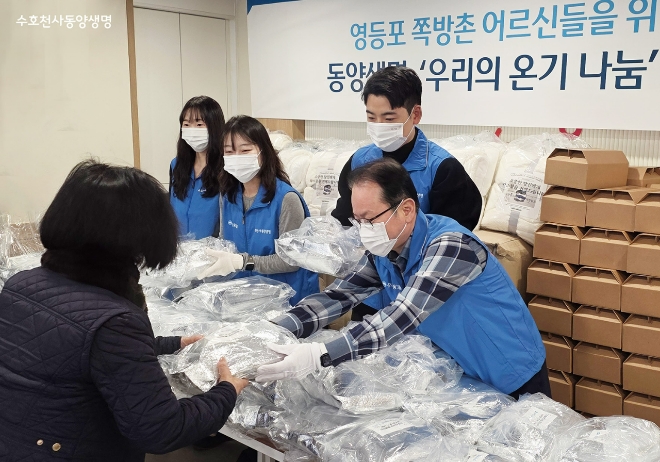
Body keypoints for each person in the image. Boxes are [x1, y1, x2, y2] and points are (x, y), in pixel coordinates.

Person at [0, 160, 248, 461]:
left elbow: (75, 348)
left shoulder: (21, 284)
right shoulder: (115, 320)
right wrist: (226, 391)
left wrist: (168, 344)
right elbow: (162, 429)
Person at [256, 158, 549, 399]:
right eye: (358, 221)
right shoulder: (386, 248)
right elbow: (339, 295)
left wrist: (320, 354)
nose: (363, 230)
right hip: (458, 371)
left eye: (370, 219)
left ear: (406, 209)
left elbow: (402, 315)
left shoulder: (451, 246)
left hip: (508, 371)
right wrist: (271, 331)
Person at [330, 66, 483, 321]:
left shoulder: (442, 169)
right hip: (372, 290)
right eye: (371, 117)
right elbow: (344, 219)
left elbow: (452, 241)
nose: (379, 126)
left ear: (415, 114)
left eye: (389, 119)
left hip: (421, 297)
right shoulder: (359, 162)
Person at [199, 116, 318, 305]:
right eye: (229, 152)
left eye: (245, 150)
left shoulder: (287, 199)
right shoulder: (228, 195)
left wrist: (243, 262)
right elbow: (225, 242)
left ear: (264, 152)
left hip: (285, 300)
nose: (236, 157)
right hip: (245, 298)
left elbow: (290, 261)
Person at [169, 95, 224, 238]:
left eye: (199, 124)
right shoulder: (176, 165)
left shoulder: (225, 169)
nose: (192, 130)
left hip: (213, 248)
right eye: (187, 124)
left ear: (215, 127)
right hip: (179, 247)